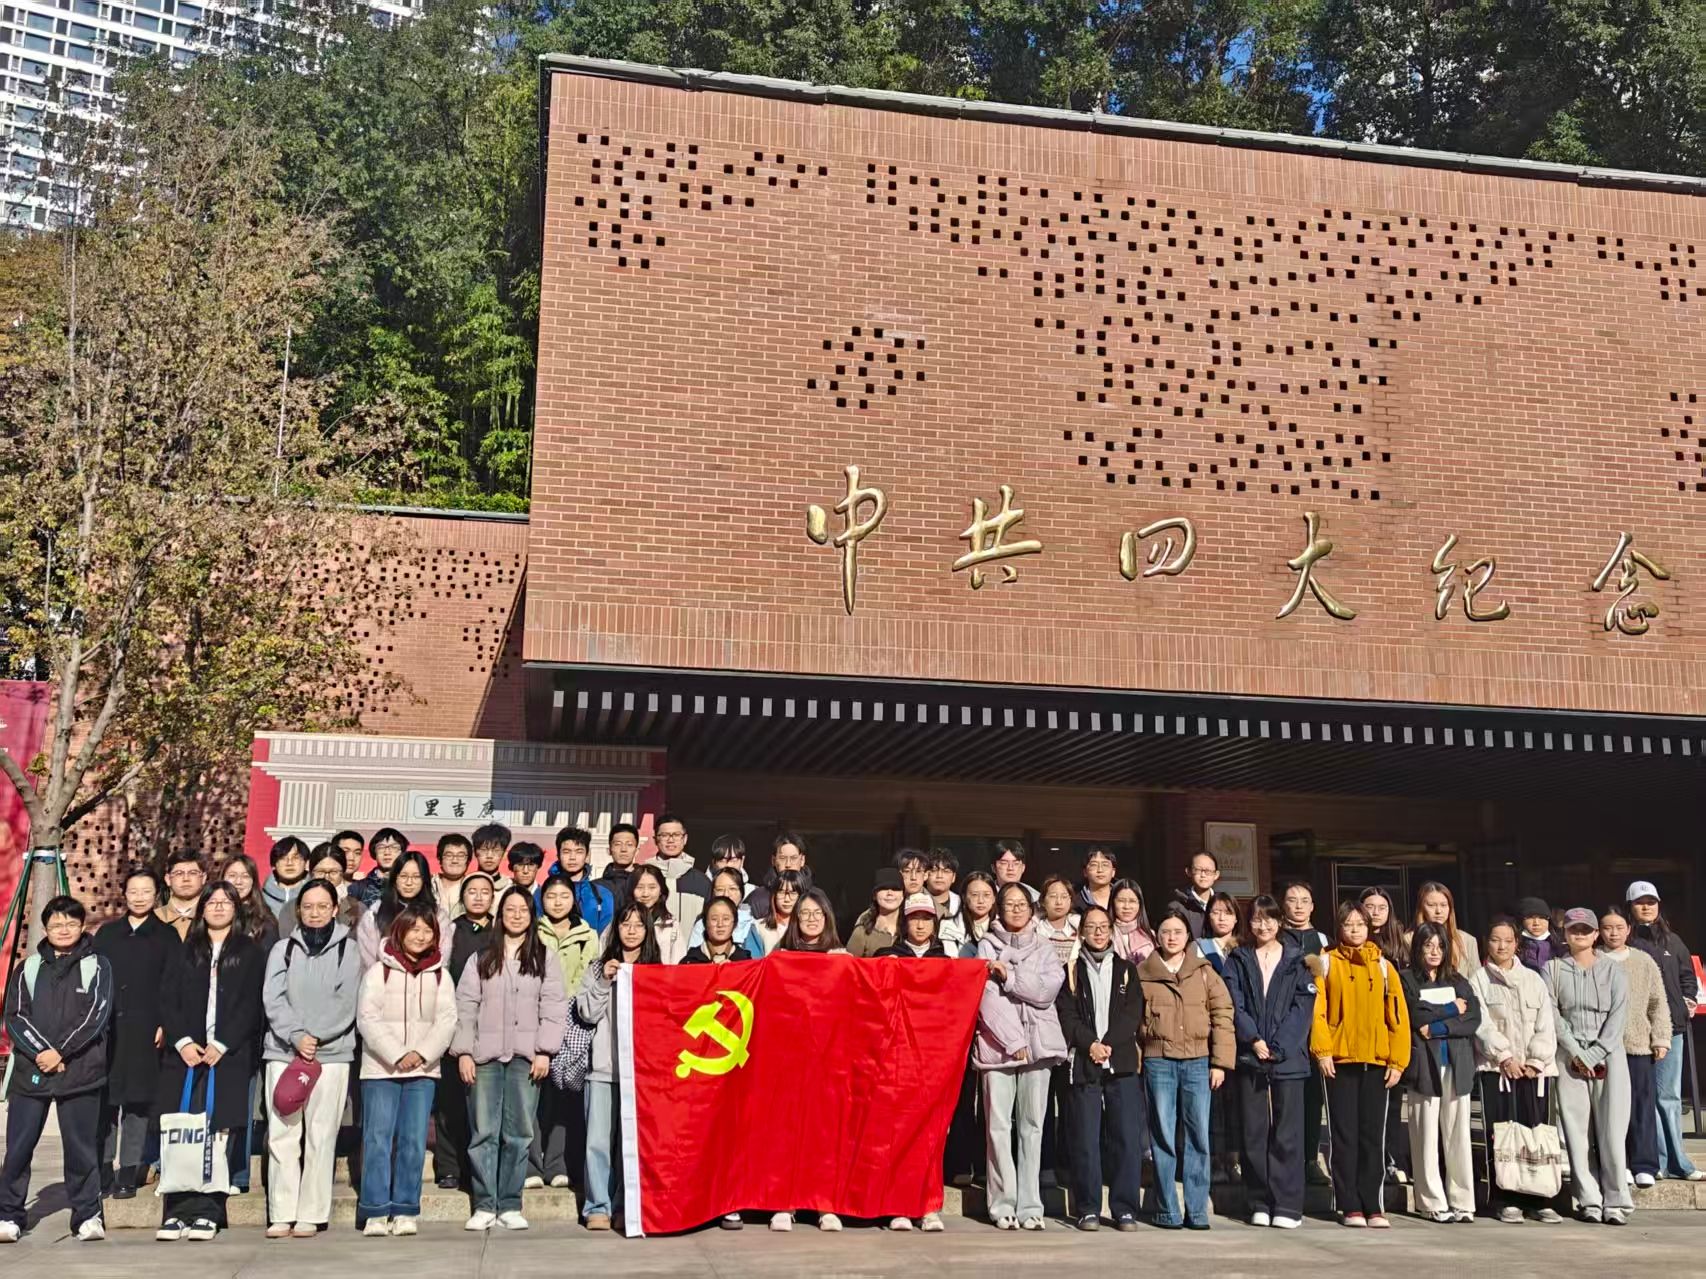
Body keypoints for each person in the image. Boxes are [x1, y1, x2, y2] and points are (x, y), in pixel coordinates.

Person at [155, 882, 267, 1241]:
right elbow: (167, 999)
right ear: (202, 908)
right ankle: (176, 1211)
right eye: (212, 902)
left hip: (227, 1057)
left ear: (236, 908)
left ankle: (209, 1211)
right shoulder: (185, 949)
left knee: (219, 1134)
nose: (219, 907)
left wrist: (223, 1043)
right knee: (183, 1131)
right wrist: (183, 1041)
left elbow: (252, 1004)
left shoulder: (250, 952)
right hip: (186, 1058)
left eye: (226, 902)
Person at [453, 887, 569, 1232]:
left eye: (523, 910)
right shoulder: (481, 958)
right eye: (510, 909)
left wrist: (545, 1050)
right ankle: (484, 1203)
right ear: (500, 915)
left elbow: (553, 1007)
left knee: (519, 1133)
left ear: (532, 917)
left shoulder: (544, 958)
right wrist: (464, 1052)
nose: (516, 915)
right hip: (484, 1057)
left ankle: (510, 1203)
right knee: (484, 1132)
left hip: (526, 1057)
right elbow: (465, 1007)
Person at [1, 895, 113, 1244]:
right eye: (56, 924)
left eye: (70, 923)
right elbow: (14, 1016)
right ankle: (9, 1214)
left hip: (80, 1071)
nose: (64, 930)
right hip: (31, 1072)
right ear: (46, 928)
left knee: (81, 1148)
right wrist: (43, 1053)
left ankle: (87, 1215)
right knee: (18, 1147)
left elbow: (97, 1015)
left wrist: (61, 1052)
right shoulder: (28, 968)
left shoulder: (98, 966)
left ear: (82, 927)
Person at [260, 878, 361, 1239]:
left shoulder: (349, 950)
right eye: (307, 907)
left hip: (331, 1055)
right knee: (282, 1134)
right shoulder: (282, 949)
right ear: (298, 910)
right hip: (283, 1052)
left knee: (321, 1134)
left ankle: (312, 1212)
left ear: (335, 910)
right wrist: (296, 1036)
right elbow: (273, 998)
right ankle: (282, 1211)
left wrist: (314, 1036)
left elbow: (347, 1001)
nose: (314, 913)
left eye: (322, 906)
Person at [356, 903, 458, 1238]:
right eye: (415, 929)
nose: (421, 936)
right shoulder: (378, 972)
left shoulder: (441, 975)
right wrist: (397, 1054)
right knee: (377, 1139)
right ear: (400, 931)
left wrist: (421, 1054)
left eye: (428, 930)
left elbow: (447, 1021)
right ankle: (375, 1210)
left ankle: (405, 1208)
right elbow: (367, 1018)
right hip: (381, 1069)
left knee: (413, 1142)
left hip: (423, 1071)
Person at [1308, 899, 1410, 1228]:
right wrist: (1323, 1051)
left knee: (1372, 1136)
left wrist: (1397, 1060)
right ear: (1339, 927)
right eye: (1348, 924)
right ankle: (1349, 1204)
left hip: (1377, 1061)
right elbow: (1317, 1011)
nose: (1354, 930)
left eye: (1360, 924)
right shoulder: (1326, 962)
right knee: (1344, 1135)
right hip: (1339, 1061)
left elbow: (1398, 1017)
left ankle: (1373, 1205)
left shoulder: (1383, 966)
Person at [974, 882, 1067, 1231]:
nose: (1016, 909)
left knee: (1033, 1126)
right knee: (998, 1127)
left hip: (1039, 1047)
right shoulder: (986, 945)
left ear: (1032, 910)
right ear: (999, 909)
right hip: (998, 1047)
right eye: (1009, 904)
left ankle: (1030, 1205)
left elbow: (1046, 992)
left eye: (1022, 904)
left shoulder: (1045, 946)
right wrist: (1013, 1041)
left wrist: (1009, 975)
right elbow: (987, 998)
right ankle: (1002, 1204)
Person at [1137, 904, 1234, 1230]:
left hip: (1197, 1061)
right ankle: (1168, 1210)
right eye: (1166, 932)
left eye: (1178, 932)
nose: (1172, 937)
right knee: (1163, 1137)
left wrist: (1220, 1062)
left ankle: (1197, 1211)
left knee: (1197, 1136)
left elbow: (1223, 1014)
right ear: (1156, 936)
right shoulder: (1143, 973)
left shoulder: (1204, 972)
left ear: (1188, 936)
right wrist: (1138, 1060)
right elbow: (1133, 1021)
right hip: (1159, 1061)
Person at [1224, 894, 1315, 1230]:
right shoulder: (1238, 958)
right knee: (1254, 1132)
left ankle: (1288, 1205)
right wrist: (1253, 1039)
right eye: (1257, 919)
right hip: (1251, 1056)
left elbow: (1302, 1008)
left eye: (1269, 919)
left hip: (1288, 1059)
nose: (1263, 925)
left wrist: (1278, 1047)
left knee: (1287, 1134)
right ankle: (1259, 1201)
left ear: (1280, 922)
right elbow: (1234, 1002)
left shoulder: (1297, 960)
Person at [1054, 904, 1144, 1233]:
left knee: (1126, 1139)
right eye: (1091, 927)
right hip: (1084, 1062)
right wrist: (1090, 1044)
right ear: (1081, 933)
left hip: (1120, 1063)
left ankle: (1125, 1209)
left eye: (1103, 926)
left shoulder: (1126, 970)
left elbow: (1132, 1013)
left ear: (1111, 931)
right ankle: (1088, 1207)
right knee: (1085, 1139)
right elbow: (1066, 1015)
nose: (1097, 932)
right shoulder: (1070, 971)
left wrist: (1107, 1043)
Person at [1468, 916, 1563, 1224]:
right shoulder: (1478, 980)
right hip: (1498, 1070)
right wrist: (1505, 1057)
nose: (1502, 946)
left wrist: (1536, 1060)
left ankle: (1539, 1199)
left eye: (1508, 941)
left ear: (1517, 944)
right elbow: (1481, 1024)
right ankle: (1504, 1199)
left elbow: (1546, 1024)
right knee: (1501, 1135)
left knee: (1537, 1134)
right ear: (1487, 943)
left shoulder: (1534, 979)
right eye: (1496, 940)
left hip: (1536, 1073)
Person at [577, 902, 660, 1230]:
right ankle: (597, 1205)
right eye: (625, 924)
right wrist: (604, 981)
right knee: (597, 1142)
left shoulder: (656, 970)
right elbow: (586, 1012)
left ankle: (628, 1206)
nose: (632, 931)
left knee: (633, 1144)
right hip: (602, 1068)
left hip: (641, 1073)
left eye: (639, 925)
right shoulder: (598, 968)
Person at [1546, 907, 1632, 1224]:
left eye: (1586, 930)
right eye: (1574, 929)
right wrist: (1574, 1051)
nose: (1579, 935)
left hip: (1609, 1054)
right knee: (1576, 1131)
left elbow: (1619, 1016)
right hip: (1569, 1056)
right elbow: (1552, 1014)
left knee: (1612, 1132)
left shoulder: (1614, 971)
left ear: (1596, 934)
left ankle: (1616, 1200)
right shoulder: (1552, 969)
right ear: (1565, 933)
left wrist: (1595, 1053)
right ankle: (1588, 1199)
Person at [94, 864, 174, 1201]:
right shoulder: (107, 934)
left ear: (157, 895)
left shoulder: (166, 936)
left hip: (146, 1030)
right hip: (108, 1030)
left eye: (146, 891)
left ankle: (129, 1171)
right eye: (133, 891)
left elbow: (173, 985)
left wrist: (165, 1023)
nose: (139, 897)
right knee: (106, 1103)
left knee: (138, 1104)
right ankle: (102, 1169)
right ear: (124, 894)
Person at [1400, 922, 1482, 1223]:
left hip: (1457, 1064)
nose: (1434, 952)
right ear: (1417, 948)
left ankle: (1463, 1201)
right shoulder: (1406, 979)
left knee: (1458, 1135)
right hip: (1425, 1064)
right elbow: (1413, 1013)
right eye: (1428, 945)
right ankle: (1431, 1201)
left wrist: (1436, 1028)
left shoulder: (1458, 980)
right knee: (1425, 1135)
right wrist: (1450, 1009)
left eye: (1440, 946)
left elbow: (1473, 1017)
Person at [1626, 879, 1704, 1182]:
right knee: (1643, 1098)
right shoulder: (1627, 941)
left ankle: (1679, 1162)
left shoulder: (1673, 941)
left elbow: (1688, 977)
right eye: (1640, 903)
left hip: (1672, 1027)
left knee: (1668, 1096)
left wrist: (1687, 1002)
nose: (1646, 907)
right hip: (1636, 1031)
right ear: (1630, 907)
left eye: (1651, 902)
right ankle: (1654, 1161)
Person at [528, 877, 599, 1191]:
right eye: (551, 896)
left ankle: (556, 1163)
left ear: (574, 900)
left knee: (564, 1093)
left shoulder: (588, 935)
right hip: (537, 1016)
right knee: (533, 1092)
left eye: (564, 896)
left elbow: (593, 975)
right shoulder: (533, 931)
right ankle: (531, 1164)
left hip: (575, 1020)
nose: (557, 902)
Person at [1598, 903, 1669, 1189]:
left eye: (1619, 927)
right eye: (1607, 928)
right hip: (1604, 1047)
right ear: (1599, 931)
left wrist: (1661, 1038)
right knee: (1611, 1108)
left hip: (1638, 1044)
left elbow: (1657, 1002)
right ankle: (1620, 1163)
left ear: (1628, 929)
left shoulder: (1643, 961)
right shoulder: (1594, 959)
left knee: (1642, 1105)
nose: (1613, 933)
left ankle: (1644, 1164)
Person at [433, 872, 496, 1192]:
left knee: (483, 1105)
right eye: (472, 891)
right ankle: (449, 1166)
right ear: (463, 897)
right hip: (453, 1022)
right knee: (451, 1101)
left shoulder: (502, 931)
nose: (479, 897)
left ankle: (478, 1170)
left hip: (492, 1028)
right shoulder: (449, 930)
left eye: (485, 892)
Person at [1280, 880, 1329, 1183]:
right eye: (1292, 900)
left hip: (1314, 1030)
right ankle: (1285, 1160)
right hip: (1283, 1029)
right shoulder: (1276, 936)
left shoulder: (1323, 940)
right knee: (1285, 1099)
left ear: (1313, 906)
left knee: (1313, 1098)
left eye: (1304, 900)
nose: (1298, 906)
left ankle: (1310, 1159)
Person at [356, 851, 448, 969]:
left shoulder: (438, 916)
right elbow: (368, 962)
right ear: (394, 878)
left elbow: (443, 959)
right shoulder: (374, 915)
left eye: (416, 877)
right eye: (403, 876)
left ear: (424, 880)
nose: (409, 883)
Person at [544, 825, 615, 935]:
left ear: (587, 855)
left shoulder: (602, 895)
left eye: (579, 851)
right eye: (566, 852)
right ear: (558, 855)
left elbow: (605, 936)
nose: (572, 857)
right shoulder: (544, 893)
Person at [650, 813, 711, 930]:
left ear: (685, 839)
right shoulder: (644, 877)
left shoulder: (700, 881)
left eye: (676, 835)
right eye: (664, 835)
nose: (670, 840)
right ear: (655, 840)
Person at [1411, 882, 1479, 978]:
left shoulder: (1468, 940)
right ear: (1421, 908)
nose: (1438, 911)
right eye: (1431, 905)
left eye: (1443, 905)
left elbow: (1476, 979)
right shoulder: (1408, 939)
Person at [628, 863, 686, 965]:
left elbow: (679, 964)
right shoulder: (621, 922)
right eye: (640, 887)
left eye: (652, 887)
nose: (645, 894)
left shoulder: (671, 925)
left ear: (661, 890)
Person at [744, 832, 809, 920]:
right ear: (773, 860)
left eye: (793, 858)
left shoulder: (814, 896)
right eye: (782, 858)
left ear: (802, 860)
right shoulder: (758, 899)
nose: (788, 864)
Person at [686, 867, 756, 949]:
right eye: (720, 889)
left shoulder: (751, 924)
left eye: (732, 889)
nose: (726, 894)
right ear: (713, 893)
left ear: (741, 893)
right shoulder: (702, 926)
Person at [222, 854, 280, 952]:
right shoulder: (210, 913)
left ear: (253, 882)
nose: (238, 882)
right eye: (232, 875)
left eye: (245, 876)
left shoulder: (264, 922)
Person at [846, 868, 905, 957]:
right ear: (874, 895)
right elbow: (849, 963)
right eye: (883, 888)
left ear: (903, 895)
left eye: (895, 888)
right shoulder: (862, 932)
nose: (890, 893)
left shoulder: (911, 929)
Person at [682, 896, 756, 965]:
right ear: (705, 923)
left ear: (735, 923)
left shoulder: (744, 961)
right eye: (714, 919)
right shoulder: (690, 961)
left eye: (726, 919)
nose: (720, 924)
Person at [878, 893, 951, 962]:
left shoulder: (944, 960)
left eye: (926, 919)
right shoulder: (885, 956)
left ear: (934, 923)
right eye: (914, 918)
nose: (920, 926)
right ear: (905, 922)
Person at [747, 869, 804, 957]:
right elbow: (753, 960)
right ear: (774, 895)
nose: (787, 899)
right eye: (781, 892)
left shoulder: (807, 928)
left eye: (793, 893)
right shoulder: (759, 927)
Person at [350, 828, 408, 909]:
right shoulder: (357, 888)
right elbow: (343, 915)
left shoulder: (409, 885)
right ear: (374, 852)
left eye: (394, 847)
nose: (387, 852)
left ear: (402, 853)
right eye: (381, 847)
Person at [942, 870, 995, 956]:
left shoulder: (1003, 927)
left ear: (994, 898)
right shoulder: (949, 927)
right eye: (974, 895)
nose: (981, 901)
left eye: (986, 895)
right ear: (964, 897)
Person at [156, 852, 207, 940]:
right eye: (179, 873)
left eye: (193, 873)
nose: (186, 879)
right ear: (168, 879)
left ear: (203, 878)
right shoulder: (154, 918)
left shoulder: (214, 916)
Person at [1170, 851, 1220, 939]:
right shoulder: (1178, 906)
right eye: (1198, 870)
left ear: (1216, 875)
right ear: (1188, 872)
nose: (1203, 875)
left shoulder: (1223, 903)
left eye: (1208, 871)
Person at [778, 888, 844, 953]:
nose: (811, 919)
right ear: (797, 916)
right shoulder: (782, 953)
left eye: (818, 913)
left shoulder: (838, 954)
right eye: (805, 913)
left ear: (826, 917)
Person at [260, 838, 310, 920]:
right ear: (273, 865)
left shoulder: (318, 896)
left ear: (306, 863)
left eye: (296, 858)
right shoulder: (260, 900)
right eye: (282, 858)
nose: (289, 863)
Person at [1109, 879, 1155, 964]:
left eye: (1132, 901)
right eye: (1121, 901)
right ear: (1112, 902)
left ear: (1140, 904)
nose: (1127, 907)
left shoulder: (1150, 936)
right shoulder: (1105, 935)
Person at [1036, 874, 1079, 965]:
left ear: (1070, 900)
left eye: (1064, 897)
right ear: (1043, 901)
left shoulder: (1079, 932)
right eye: (1053, 896)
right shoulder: (1035, 931)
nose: (1059, 902)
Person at [1196, 891, 1242, 974]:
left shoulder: (1245, 949)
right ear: (1208, 917)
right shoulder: (1198, 947)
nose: (1221, 918)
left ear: (1236, 918)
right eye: (1216, 913)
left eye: (1228, 913)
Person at [599, 822, 640, 908]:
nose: (623, 849)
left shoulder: (645, 883)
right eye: (618, 844)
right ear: (609, 850)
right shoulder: (597, 886)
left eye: (629, 844)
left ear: (637, 851)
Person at [1516, 896, 1563, 973]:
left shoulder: (1559, 946)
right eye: (1530, 917)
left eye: (1542, 917)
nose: (1536, 923)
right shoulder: (1515, 946)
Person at [434, 833, 472, 917]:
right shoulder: (428, 885)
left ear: (468, 861)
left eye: (461, 856)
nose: (455, 860)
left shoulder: (474, 886)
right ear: (440, 859)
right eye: (449, 855)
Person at [1077, 846, 1118, 913]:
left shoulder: (1122, 897)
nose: (1100, 870)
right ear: (1085, 872)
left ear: (1113, 872)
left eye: (1105, 865)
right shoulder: (1076, 903)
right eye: (1094, 865)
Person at [926, 848, 961, 918]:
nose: (939, 876)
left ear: (954, 877)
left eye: (946, 871)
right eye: (934, 870)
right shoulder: (914, 900)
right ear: (925, 874)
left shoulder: (962, 904)